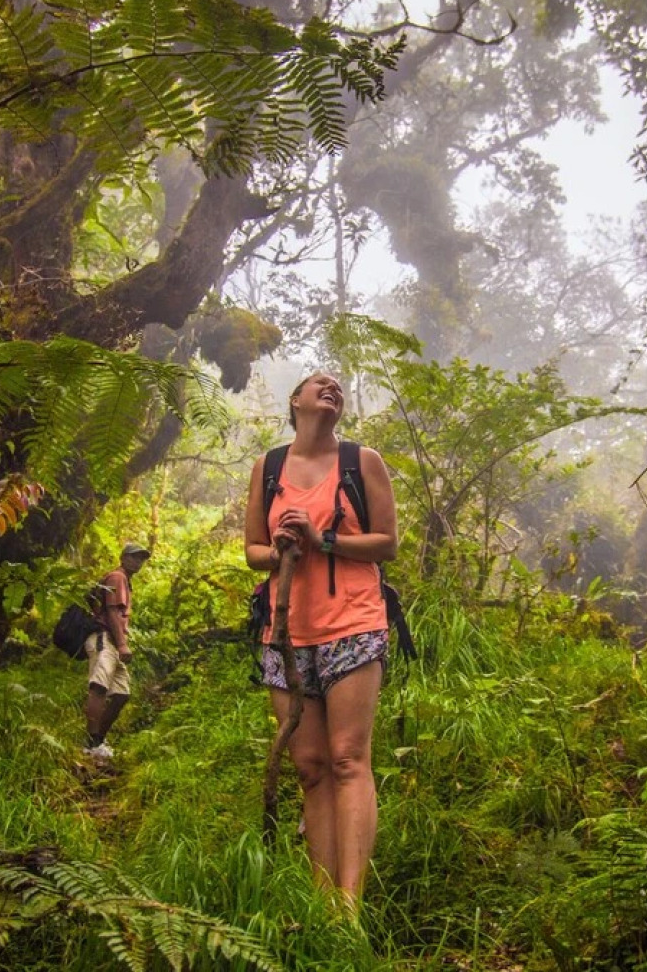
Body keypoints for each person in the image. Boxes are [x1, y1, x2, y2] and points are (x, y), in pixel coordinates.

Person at [244, 372, 398, 906]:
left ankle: (351, 906)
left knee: (348, 758)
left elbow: (387, 543)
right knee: (310, 767)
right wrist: (281, 544)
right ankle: (324, 902)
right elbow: (253, 552)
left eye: (338, 386)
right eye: (319, 383)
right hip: (286, 632)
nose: (331, 388)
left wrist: (321, 538)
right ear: (296, 401)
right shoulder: (268, 468)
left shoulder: (362, 462)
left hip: (352, 624)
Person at [82, 541, 152, 760]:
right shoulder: (117, 577)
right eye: (134, 556)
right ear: (123, 558)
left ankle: (98, 741)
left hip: (113, 640)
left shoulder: (124, 580)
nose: (138, 561)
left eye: (141, 558)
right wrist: (122, 644)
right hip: (104, 638)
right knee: (100, 686)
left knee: (121, 693)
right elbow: (112, 612)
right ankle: (91, 743)